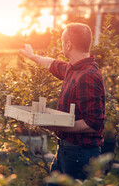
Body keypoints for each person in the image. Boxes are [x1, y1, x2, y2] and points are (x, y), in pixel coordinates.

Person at [19, 23, 105, 182]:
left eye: (62, 41)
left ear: (68, 44)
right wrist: (32, 56)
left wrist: (54, 124)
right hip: (67, 150)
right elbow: (53, 64)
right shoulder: (74, 69)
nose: (61, 45)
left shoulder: (87, 75)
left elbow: (93, 123)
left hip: (80, 154)